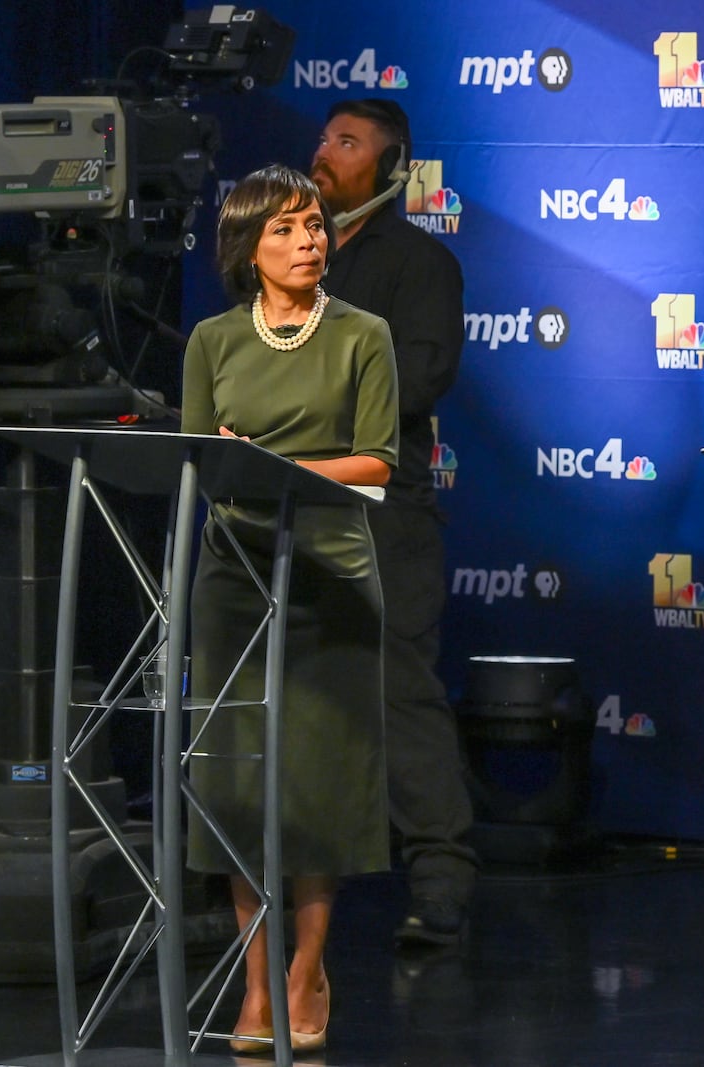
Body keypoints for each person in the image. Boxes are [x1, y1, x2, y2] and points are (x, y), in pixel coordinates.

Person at [181, 163, 399, 1053]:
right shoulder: (212, 341)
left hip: (330, 578)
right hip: (233, 580)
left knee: (316, 787)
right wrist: (233, 467)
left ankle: (307, 966)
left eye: (315, 225)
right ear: (249, 248)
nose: (310, 240)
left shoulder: (363, 335)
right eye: (288, 230)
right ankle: (257, 979)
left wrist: (282, 471)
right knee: (239, 785)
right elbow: (198, 460)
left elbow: (378, 461)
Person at [309, 97, 477, 947]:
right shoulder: (287, 257)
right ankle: (264, 877)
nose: (324, 152)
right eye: (324, 138)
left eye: (347, 143)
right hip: (285, 507)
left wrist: (312, 394)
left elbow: (420, 379)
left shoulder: (420, 263)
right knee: (284, 693)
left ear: (392, 165)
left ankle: (441, 881)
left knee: (400, 692)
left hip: (381, 513)